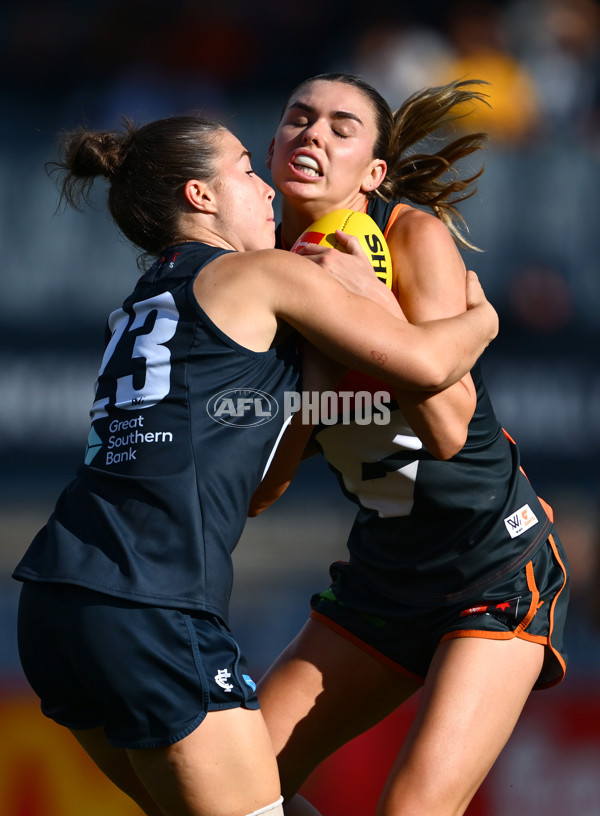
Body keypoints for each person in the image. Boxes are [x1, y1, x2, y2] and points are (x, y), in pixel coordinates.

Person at [12, 115, 497, 816]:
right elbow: (426, 366)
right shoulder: (262, 273)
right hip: (150, 604)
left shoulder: (148, 300)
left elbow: (258, 487)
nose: (267, 188)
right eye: (244, 168)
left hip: (57, 605)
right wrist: (483, 317)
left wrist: (318, 375)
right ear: (200, 196)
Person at [251, 73, 570, 816]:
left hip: (492, 564)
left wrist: (364, 303)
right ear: (271, 147)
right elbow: (263, 492)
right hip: (386, 571)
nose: (313, 134)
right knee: (224, 794)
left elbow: (448, 428)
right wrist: (320, 366)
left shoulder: (411, 235)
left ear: (374, 173)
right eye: (298, 118)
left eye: (341, 126)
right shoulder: (260, 271)